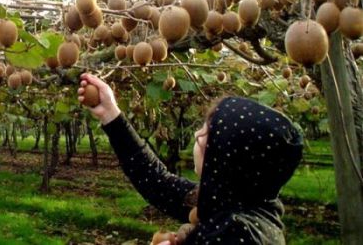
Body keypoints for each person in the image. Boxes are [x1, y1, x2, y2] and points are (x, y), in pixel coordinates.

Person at [77, 74, 303, 245]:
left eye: (207, 134)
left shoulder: (234, 234)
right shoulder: (242, 202)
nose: (197, 135)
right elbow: (159, 183)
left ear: (226, 157)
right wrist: (111, 114)